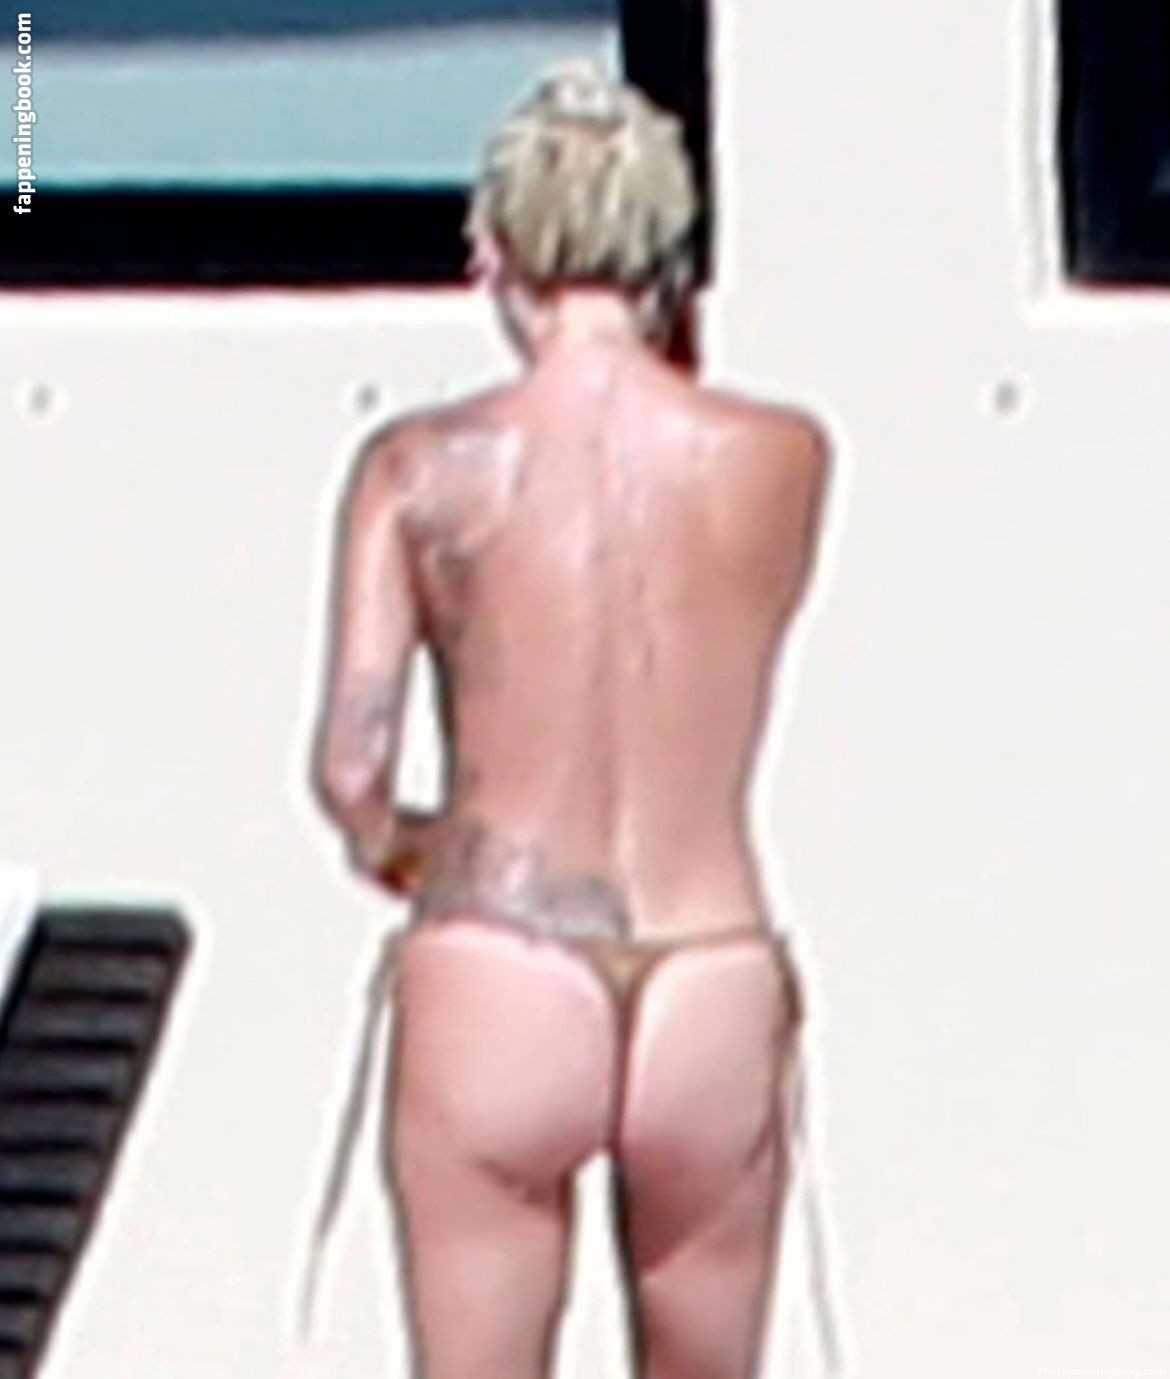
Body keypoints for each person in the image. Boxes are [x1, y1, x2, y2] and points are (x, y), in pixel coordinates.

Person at [304, 59, 837, 1379]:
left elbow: (353, 766)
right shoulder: (779, 456)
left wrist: (404, 851)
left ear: (490, 250)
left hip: (505, 942)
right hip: (705, 956)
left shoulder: (419, 468)